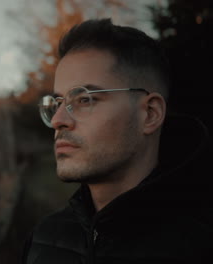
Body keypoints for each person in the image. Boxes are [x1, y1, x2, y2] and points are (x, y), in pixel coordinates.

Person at [22, 18, 212, 264]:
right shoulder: (44, 239)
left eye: (85, 99)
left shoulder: (200, 241)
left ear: (150, 114)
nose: (58, 120)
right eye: (58, 103)